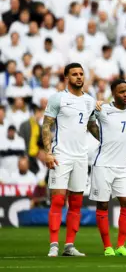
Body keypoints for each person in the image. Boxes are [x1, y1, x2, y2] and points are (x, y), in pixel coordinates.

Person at [42, 63, 99, 257]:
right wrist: (48, 152)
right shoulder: (58, 98)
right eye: (74, 74)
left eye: (81, 74)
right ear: (67, 77)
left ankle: (69, 246)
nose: (79, 77)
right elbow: (47, 125)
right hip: (61, 156)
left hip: (81, 157)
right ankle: (53, 245)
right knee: (58, 199)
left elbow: (92, 125)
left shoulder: (90, 101)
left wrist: (107, 140)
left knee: (76, 203)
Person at [92, 80, 126, 256]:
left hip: (121, 167)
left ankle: (121, 245)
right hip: (103, 165)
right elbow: (88, 117)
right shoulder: (104, 110)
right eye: (121, 92)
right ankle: (108, 247)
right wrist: (96, 104)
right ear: (113, 93)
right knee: (103, 204)